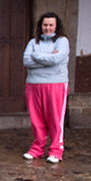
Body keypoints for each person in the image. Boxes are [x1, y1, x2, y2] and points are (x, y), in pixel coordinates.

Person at [22, 12, 70, 164]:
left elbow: (56, 59)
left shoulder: (62, 41)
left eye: (51, 25)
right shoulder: (33, 42)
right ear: (40, 26)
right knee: (37, 119)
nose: (47, 28)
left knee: (55, 118)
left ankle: (56, 150)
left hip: (56, 84)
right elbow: (26, 60)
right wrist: (47, 57)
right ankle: (37, 149)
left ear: (56, 26)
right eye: (45, 25)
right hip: (34, 84)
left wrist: (37, 56)